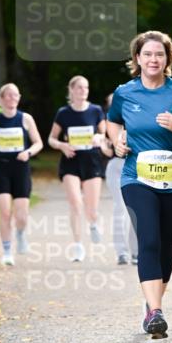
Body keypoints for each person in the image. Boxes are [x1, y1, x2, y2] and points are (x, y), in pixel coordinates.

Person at [106, 31, 172, 338]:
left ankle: (151, 303)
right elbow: (113, 119)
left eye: (159, 54)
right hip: (136, 178)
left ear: (168, 58)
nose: (153, 59)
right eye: (148, 54)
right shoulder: (125, 92)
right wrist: (117, 138)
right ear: (137, 59)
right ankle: (156, 313)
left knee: (167, 246)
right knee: (149, 240)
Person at [48, 76, 106, 261]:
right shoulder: (63, 113)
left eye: (86, 88)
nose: (83, 91)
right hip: (71, 161)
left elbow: (104, 133)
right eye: (79, 88)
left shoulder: (96, 110)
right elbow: (51, 139)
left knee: (91, 208)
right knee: (75, 204)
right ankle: (78, 245)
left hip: (92, 161)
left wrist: (99, 137)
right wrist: (62, 146)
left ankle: (93, 223)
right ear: (71, 90)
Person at [0, 83, 43, 265]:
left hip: (21, 169)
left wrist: (29, 152)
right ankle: (7, 251)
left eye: (15, 95)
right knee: (4, 212)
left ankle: (20, 233)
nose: (12, 98)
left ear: (19, 98)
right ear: (1, 99)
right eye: (8, 95)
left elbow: (38, 143)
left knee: (21, 215)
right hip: (2, 168)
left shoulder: (26, 119)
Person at [101, 93, 138, 266]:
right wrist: (107, 146)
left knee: (135, 210)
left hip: (136, 167)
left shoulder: (136, 119)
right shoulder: (109, 123)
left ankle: (136, 252)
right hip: (116, 167)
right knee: (120, 208)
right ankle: (121, 252)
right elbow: (106, 148)